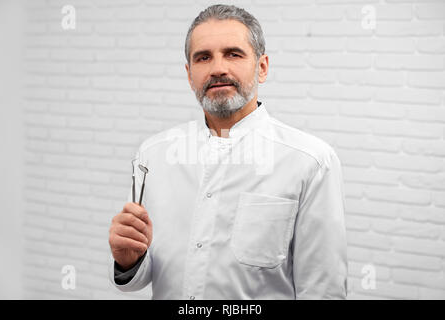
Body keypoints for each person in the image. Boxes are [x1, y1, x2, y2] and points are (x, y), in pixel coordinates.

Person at [108, 4, 348, 300]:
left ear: (262, 67)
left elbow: (323, 291)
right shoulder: (153, 155)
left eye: (233, 54)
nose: (218, 68)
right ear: (189, 74)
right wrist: (127, 260)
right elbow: (139, 279)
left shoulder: (310, 162)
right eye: (203, 57)